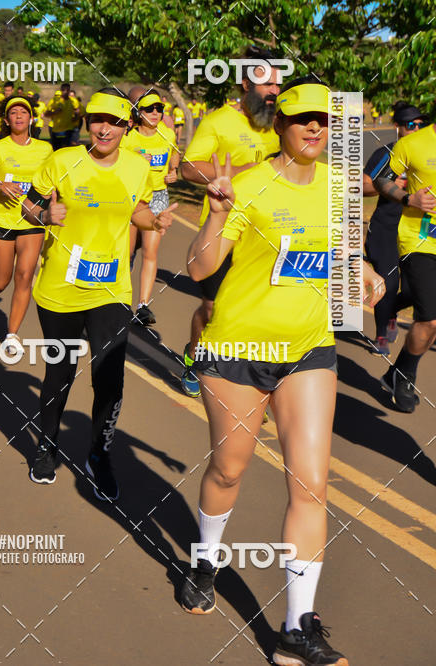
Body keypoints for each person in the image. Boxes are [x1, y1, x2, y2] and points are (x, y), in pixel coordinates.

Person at [180, 80, 384, 666]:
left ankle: (297, 629)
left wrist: (366, 274)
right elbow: (200, 268)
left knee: (311, 485)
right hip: (236, 349)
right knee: (228, 469)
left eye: (323, 120)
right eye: (302, 120)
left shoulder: (342, 189)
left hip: (309, 352)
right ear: (279, 125)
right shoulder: (246, 186)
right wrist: (216, 215)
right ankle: (204, 558)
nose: (315, 128)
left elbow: (347, 251)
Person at [21, 88, 176, 499]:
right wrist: (44, 214)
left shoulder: (138, 166)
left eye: (114, 122)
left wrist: (154, 221)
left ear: (128, 127)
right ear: (88, 124)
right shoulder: (61, 161)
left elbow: (136, 209)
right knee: (60, 372)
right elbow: (28, 208)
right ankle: (46, 446)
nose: (104, 128)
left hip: (111, 288)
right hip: (60, 289)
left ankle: (98, 453)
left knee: (109, 377)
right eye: (96, 120)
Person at [180, 54, 282, 398]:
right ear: (246, 84)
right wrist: (236, 175)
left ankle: (251, 382)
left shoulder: (279, 125)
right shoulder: (219, 121)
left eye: (278, 85)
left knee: (263, 310)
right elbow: (188, 169)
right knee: (211, 308)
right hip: (224, 227)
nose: (274, 91)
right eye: (268, 84)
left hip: (268, 233)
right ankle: (194, 357)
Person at [0, 97, 53, 358]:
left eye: (24, 112)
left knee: (25, 275)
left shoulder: (45, 149)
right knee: (2, 279)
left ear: (31, 118)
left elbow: (55, 180)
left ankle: (12, 334)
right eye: (13, 113)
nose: (19, 116)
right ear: (6, 120)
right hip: (3, 221)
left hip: (33, 221)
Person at [374, 110, 436, 412]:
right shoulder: (413, 143)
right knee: (430, 318)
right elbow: (381, 179)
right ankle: (407, 375)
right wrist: (409, 199)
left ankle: (395, 373)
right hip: (418, 239)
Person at [363, 104, 424, 356]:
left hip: (418, 231)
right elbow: (363, 185)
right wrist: (387, 185)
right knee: (387, 282)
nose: (416, 129)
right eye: (411, 125)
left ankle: (391, 311)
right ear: (398, 127)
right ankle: (381, 336)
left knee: (414, 290)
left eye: (421, 124)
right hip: (386, 228)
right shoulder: (386, 154)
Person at [123, 92, 180, 326]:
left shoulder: (167, 134)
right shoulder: (129, 139)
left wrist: (173, 171)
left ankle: (143, 306)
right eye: (149, 109)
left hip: (158, 197)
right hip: (133, 199)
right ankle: (120, 301)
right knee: (126, 254)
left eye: (159, 108)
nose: (155, 113)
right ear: (139, 113)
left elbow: (174, 154)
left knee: (150, 252)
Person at [43, 82, 78, 150]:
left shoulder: (73, 101)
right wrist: (55, 112)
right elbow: (46, 114)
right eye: (63, 90)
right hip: (56, 130)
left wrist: (75, 118)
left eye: (67, 90)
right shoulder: (55, 100)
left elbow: (77, 111)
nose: (65, 92)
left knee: (66, 150)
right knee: (56, 150)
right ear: (61, 90)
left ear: (69, 90)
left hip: (68, 129)